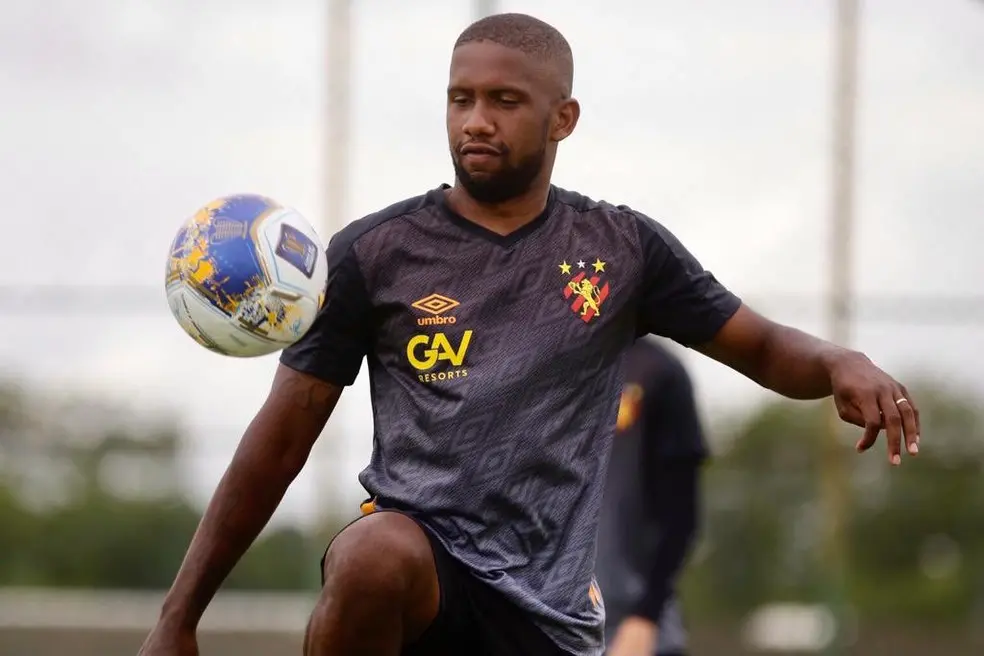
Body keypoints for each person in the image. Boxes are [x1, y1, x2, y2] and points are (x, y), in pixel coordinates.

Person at [138, 12, 920, 656]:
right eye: (460, 99)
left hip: (548, 619)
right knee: (373, 554)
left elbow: (764, 347)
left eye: (504, 100)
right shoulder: (375, 254)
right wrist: (178, 617)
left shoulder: (621, 249)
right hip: (423, 581)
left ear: (562, 118)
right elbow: (280, 440)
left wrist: (839, 361)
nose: (476, 120)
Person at [597, 337, 708, 656]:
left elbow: (681, 516)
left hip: (633, 633)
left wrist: (644, 619)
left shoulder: (657, 371)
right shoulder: (541, 368)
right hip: (546, 628)